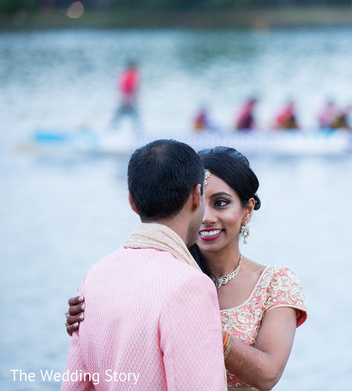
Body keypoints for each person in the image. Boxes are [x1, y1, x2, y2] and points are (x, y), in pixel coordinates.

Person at [66, 146, 308, 391]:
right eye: (201, 203)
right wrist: (94, 317)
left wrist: (202, 323)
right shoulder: (169, 278)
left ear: (247, 210)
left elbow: (268, 374)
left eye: (221, 203)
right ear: (191, 201)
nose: (206, 216)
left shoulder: (274, 282)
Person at [62, 140, 226, 390]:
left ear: (132, 202)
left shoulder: (95, 276)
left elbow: (75, 385)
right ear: (196, 195)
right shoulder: (190, 285)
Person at [109, 60, 142, 132]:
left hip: (128, 100)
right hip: (128, 100)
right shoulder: (129, 76)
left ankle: (112, 130)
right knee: (133, 117)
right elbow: (125, 88)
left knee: (121, 116)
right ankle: (112, 131)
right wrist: (127, 100)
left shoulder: (130, 74)